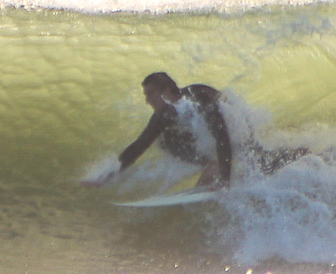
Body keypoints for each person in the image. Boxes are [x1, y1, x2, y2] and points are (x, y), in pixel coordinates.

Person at [93, 72, 306, 189]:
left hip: (234, 124)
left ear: (166, 91)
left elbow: (223, 136)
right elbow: (139, 146)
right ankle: (210, 164)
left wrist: (225, 179)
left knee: (261, 164)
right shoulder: (163, 115)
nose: (147, 100)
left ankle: (302, 154)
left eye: (150, 94)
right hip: (216, 135)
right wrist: (109, 174)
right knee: (164, 141)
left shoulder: (199, 100)